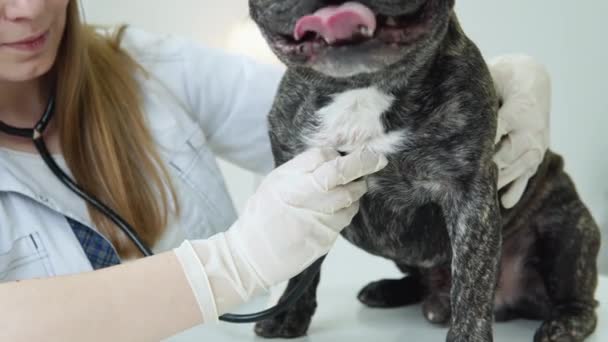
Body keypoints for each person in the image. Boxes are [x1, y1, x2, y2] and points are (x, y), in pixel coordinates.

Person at [0, 1, 551, 341]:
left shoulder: (141, 64)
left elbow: (346, 115)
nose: (26, 7)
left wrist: (498, 79)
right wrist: (228, 265)